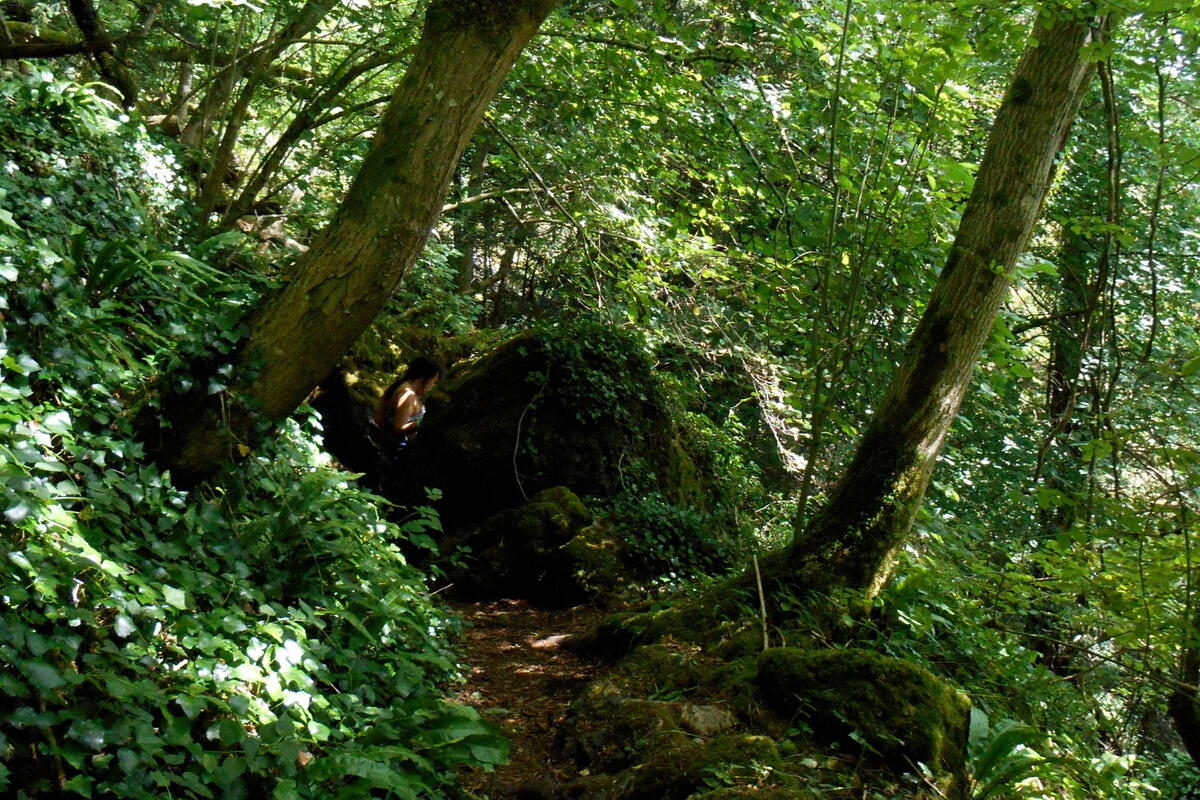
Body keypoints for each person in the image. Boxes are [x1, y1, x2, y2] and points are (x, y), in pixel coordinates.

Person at [374, 356, 441, 456]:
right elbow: (398, 428)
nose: (433, 386)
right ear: (425, 378)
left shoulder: (397, 386)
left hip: (386, 445)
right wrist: (424, 420)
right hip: (398, 452)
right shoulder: (408, 396)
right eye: (434, 381)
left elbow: (378, 418)